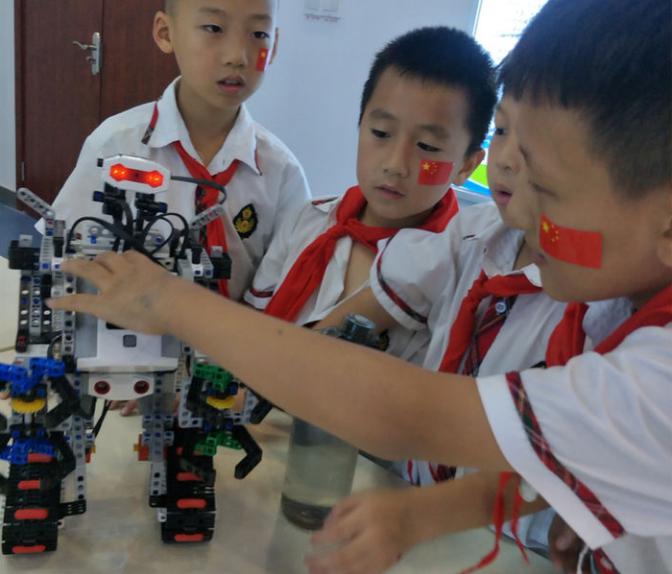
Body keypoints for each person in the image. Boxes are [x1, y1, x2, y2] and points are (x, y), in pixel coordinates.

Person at [49, 0, 672, 572]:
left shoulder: (648, 377)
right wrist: (424, 513)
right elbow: (550, 445)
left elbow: (404, 411)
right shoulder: (483, 242)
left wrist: (170, 301)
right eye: (507, 138)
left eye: (549, 191)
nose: (518, 207)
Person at [244, 26, 495, 369]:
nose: (395, 164)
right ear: (360, 124)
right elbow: (253, 324)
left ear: (466, 165)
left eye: (427, 146)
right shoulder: (309, 219)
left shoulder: (462, 276)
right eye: (381, 133)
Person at [40, 0, 310, 303]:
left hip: (236, 330)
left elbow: (287, 287)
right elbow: (66, 254)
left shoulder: (282, 173)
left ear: (274, 47)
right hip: (124, 325)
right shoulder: (114, 144)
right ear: (165, 33)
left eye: (259, 34)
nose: (237, 56)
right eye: (214, 28)